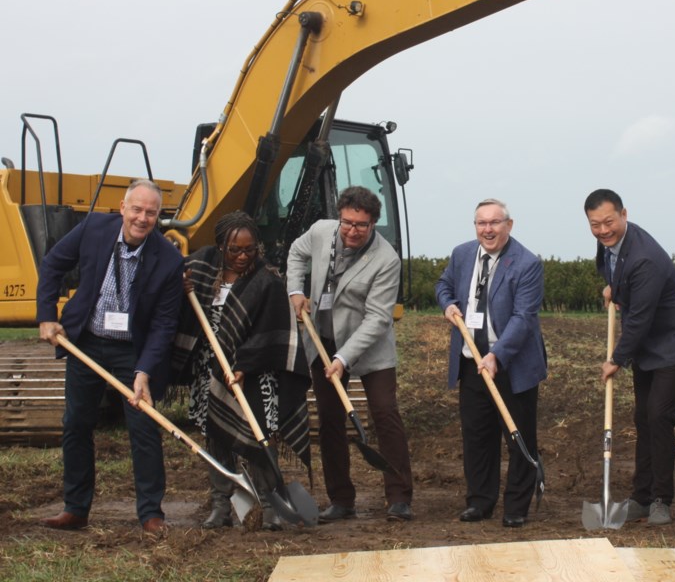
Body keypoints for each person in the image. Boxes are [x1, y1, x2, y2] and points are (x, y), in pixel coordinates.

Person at [36, 179, 183, 535]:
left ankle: (151, 514)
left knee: (144, 428)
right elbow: (53, 263)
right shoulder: (94, 229)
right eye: (136, 209)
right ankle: (76, 509)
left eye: (151, 213)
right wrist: (46, 315)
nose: (142, 218)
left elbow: (164, 324)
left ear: (157, 217)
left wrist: (145, 371)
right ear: (122, 207)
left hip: (132, 351)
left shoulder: (168, 259)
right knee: (76, 424)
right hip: (85, 342)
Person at [170, 211, 312, 531]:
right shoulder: (202, 273)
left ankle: (271, 501)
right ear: (221, 247)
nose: (243, 256)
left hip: (255, 371)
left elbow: (271, 329)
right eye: (235, 250)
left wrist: (244, 364)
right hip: (213, 369)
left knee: (259, 434)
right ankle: (221, 504)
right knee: (217, 434)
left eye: (250, 249)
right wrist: (181, 287)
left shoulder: (267, 281)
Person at [286, 186, 414, 522]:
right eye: (347, 223)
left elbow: (377, 318)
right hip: (323, 338)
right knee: (329, 419)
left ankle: (399, 497)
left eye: (361, 225)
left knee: (385, 414)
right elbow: (296, 254)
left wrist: (343, 359)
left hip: (369, 348)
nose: (352, 231)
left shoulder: (386, 260)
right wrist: (296, 290)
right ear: (339, 217)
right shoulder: (320, 231)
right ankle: (341, 499)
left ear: (374, 224)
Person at [583, 188, 675, 526]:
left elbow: (639, 318)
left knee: (659, 417)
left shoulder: (645, 257)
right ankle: (641, 495)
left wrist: (616, 359)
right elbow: (610, 269)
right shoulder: (610, 243)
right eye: (595, 225)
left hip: (674, 343)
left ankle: (661, 501)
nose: (603, 230)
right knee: (642, 417)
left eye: (608, 222)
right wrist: (614, 287)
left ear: (624, 214)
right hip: (649, 347)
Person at [435, 199, 547, 529]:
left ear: (508, 226)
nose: (488, 229)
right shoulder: (462, 254)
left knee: (518, 436)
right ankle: (480, 501)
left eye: (495, 223)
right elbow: (443, 285)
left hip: (511, 365)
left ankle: (516, 506)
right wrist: (448, 305)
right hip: (472, 362)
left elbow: (524, 318)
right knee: (477, 436)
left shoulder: (526, 263)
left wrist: (497, 355)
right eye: (481, 223)